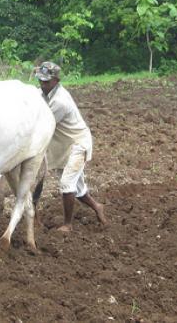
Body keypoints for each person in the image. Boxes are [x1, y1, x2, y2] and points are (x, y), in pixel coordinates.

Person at [36, 61, 107, 232]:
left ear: (56, 80)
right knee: (78, 187)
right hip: (63, 146)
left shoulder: (60, 101)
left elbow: (42, 124)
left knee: (67, 184)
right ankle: (97, 206)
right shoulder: (42, 94)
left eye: (46, 81)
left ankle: (68, 224)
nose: (43, 84)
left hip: (78, 144)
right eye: (41, 81)